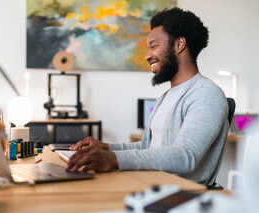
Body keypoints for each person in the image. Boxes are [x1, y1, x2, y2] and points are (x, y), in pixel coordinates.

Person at [65, 7, 229, 186]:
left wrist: (113, 159)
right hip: (151, 185)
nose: (147, 56)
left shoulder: (206, 94)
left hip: (181, 197)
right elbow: (147, 147)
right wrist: (107, 148)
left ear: (179, 44)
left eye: (154, 46)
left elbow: (185, 155)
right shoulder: (165, 98)